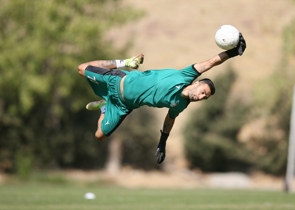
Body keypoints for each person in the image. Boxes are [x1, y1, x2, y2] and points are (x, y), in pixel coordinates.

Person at [77, 33, 246, 164]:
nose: (201, 97)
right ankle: (126, 62)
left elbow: (169, 119)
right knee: (82, 68)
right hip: (118, 81)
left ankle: (104, 107)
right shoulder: (185, 75)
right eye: (203, 91)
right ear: (198, 82)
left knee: (100, 135)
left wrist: (162, 142)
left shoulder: (181, 104)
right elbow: (210, 62)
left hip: (122, 105)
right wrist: (231, 53)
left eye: (205, 97)